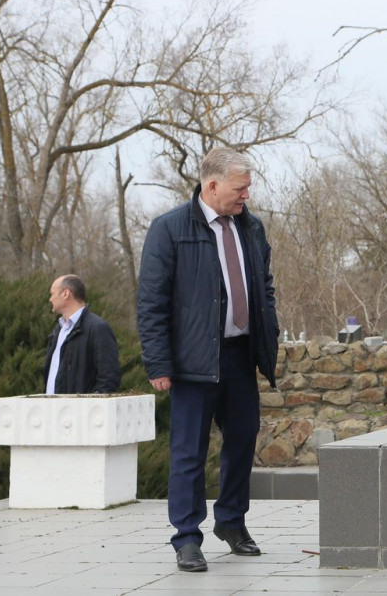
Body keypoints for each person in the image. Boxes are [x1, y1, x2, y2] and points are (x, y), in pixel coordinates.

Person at [137, 147, 279, 573]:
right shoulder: (169, 229)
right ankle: (186, 537)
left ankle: (231, 522)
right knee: (188, 452)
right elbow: (151, 302)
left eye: (248, 187)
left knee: (243, 440)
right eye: (240, 188)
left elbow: (264, 286)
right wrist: (158, 363)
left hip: (240, 356)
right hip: (192, 361)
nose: (246, 195)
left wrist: (268, 334)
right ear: (212, 185)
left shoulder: (251, 227)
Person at [42, 274, 121, 394]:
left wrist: (92, 403)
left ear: (65, 293)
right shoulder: (58, 331)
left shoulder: (97, 328)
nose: (50, 299)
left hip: (82, 406)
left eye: (52, 293)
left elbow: (108, 377)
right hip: (53, 405)